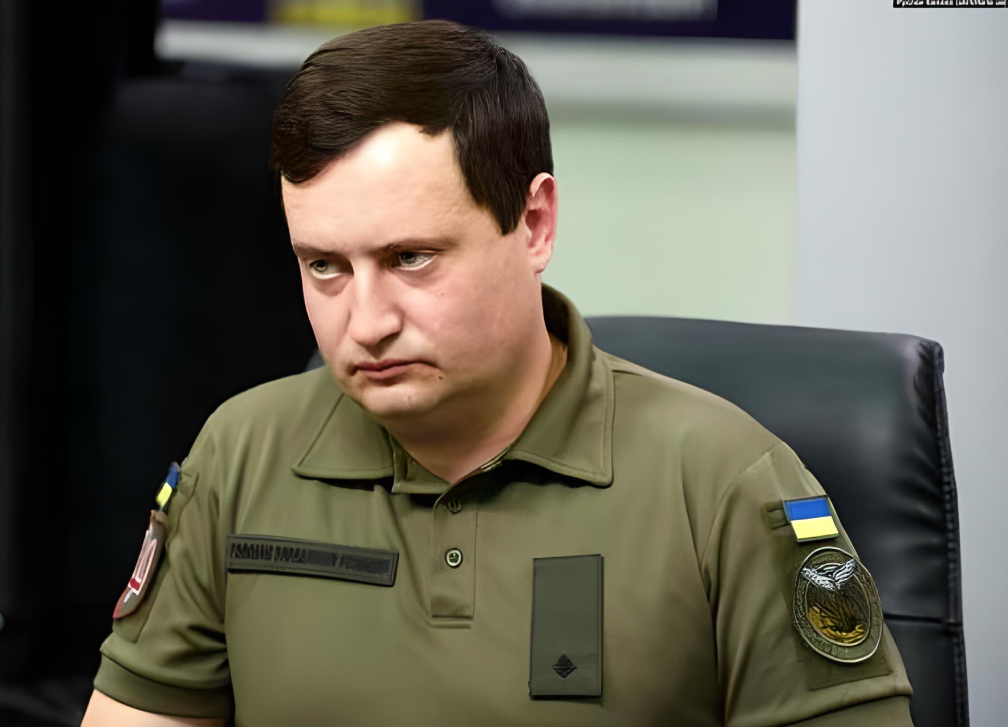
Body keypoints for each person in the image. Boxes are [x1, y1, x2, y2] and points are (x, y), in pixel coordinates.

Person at [82, 19, 913, 727]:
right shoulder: (240, 455)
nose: (366, 322)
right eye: (324, 265)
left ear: (534, 223)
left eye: (411, 257)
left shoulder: (724, 483)